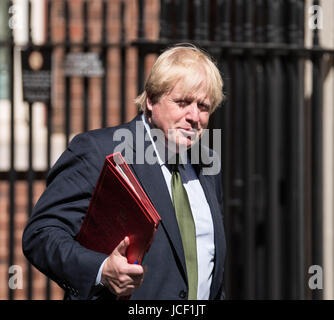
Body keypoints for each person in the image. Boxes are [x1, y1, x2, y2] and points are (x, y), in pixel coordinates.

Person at [22, 44, 226, 300]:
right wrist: (101, 269)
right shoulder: (98, 151)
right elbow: (41, 235)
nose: (194, 116)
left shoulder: (207, 165)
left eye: (203, 106)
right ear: (151, 100)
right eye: (182, 102)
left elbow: (209, 266)